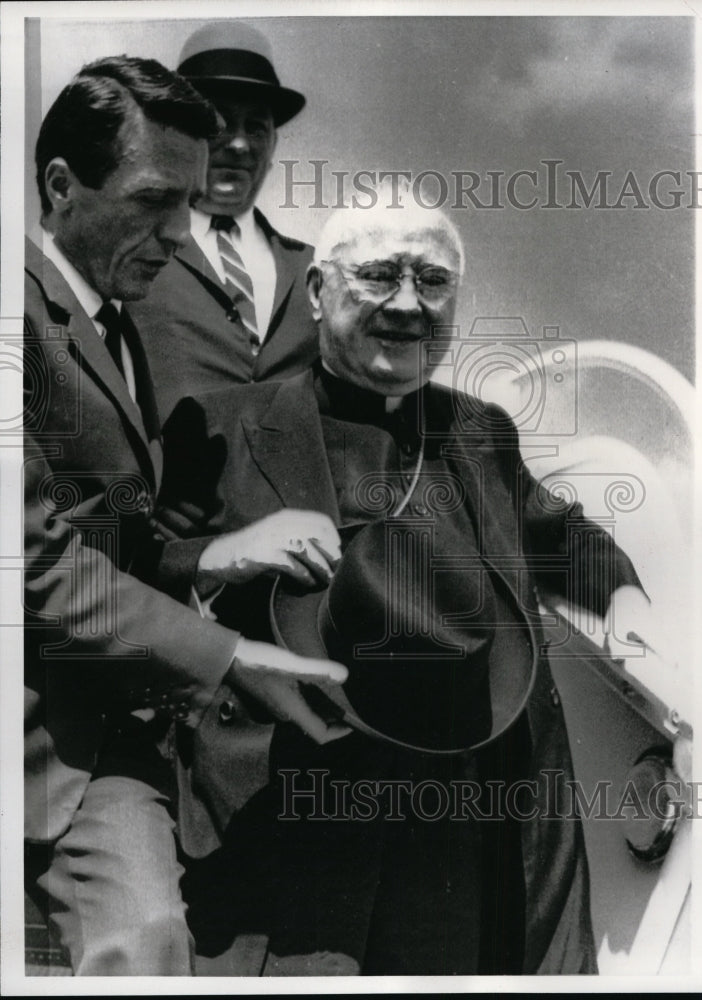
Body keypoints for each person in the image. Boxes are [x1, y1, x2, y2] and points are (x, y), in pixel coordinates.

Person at [156, 189, 662, 975]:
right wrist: (228, 553)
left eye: (432, 282)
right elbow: (142, 564)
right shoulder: (219, 424)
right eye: (380, 276)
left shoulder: (478, 431)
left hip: (451, 825)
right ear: (320, 292)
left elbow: (556, 534)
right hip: (289, 814)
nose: (407, 305)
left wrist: (621, 594)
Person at [24, 55, 347, 976]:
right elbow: (32, 563)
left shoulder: (115, 323)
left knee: (150, 942)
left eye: (190, 203)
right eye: (154, 201)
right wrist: (232, 655)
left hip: (104, 727)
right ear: (61, 186)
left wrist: (214, 562)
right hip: (39, 723)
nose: (179, 232)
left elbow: (111, 538)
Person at [129, 21, 319, 425]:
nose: (239, 143)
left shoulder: (314, 271)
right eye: (220, 122)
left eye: (256, 127)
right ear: (182, 134)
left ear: (272, 146)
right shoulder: (132, 252)